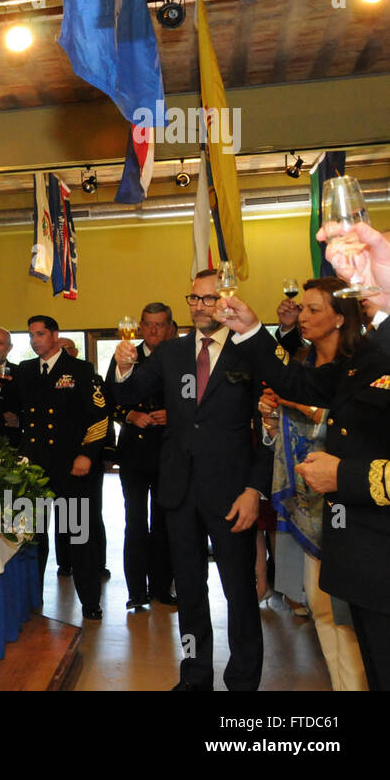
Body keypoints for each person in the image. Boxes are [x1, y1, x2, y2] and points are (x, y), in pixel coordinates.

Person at [219, 268, 390, 690]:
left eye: (371, 264)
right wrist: (253, 330)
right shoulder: (367, 355)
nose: (359, 277)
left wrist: (343, 475)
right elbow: (301, 382)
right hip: (367, 549)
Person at [112, 269, 268, 691]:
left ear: (227, 301)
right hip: (179, 491)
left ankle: (242, 680)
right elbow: (126, 395)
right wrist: (123, 369)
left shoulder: (249, 351)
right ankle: (195, 675)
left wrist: (255, 489)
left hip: (233, 493)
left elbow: (268, 432)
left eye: (209, 298)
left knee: (239, 592)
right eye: (194, 299)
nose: (200, 306)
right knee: (191, 595)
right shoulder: (171, 353)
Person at [256, 278, 368, 690]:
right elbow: (286, 432)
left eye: (313, 309)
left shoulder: (362, 367)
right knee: (320, 606)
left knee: (351, 615)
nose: (302, 316)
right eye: (300, 309)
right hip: (310, 505)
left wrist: (302, 407)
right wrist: (272, 419)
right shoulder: (302, 365)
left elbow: (353, 431)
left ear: (341, 317)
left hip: (352, 508)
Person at [17, 315, 110, 620]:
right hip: (33, 471)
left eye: (40, 334)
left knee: (77, 536)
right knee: (31, 538)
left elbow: (99, 419)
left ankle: (90, 601)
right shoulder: (26, 370)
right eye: (31, 335)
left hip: (69, 469)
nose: (35, 340)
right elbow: (13, 409)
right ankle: (30, 599)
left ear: (55, 335)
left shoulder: (79, 370)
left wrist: (86, 455)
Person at [106, 302, 177, 610]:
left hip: (169, 451)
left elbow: (196, 399)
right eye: (147, 324)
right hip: (135, 452)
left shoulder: (180, 355)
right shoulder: (125, 355)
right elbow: (108, 398)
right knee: (135, 522)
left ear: (170, 327)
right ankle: (137, 591)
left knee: (164, 524)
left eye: (159, 324)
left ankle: (163, 587)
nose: (152, 330)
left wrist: (172, 414)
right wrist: (129, 414)